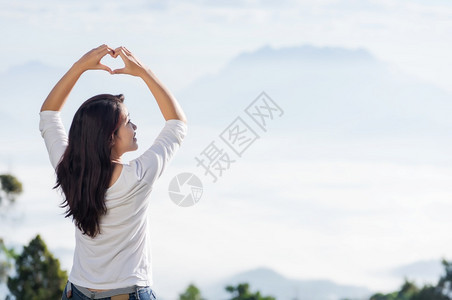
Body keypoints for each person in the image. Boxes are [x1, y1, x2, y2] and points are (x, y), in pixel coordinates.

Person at [39, 44, 188, 300]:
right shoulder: (137, 177)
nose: (134, 126)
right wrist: (144, 72)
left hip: (77, 292)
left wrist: (79, 67)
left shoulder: (69, 170)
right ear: (110, 137)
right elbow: (177, 125)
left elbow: (48, 115)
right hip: (127, 293)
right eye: (128, 122)